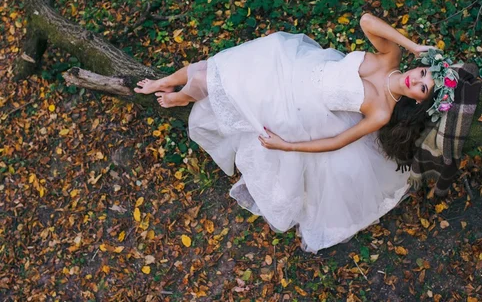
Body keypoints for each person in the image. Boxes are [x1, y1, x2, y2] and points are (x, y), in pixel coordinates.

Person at [134, 13, 459, 253]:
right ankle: (165, 83)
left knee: (215, 81)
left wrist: (287, 146)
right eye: (420, 75)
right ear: (419, 66)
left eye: (421, 89)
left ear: (418, 101)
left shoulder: (382, 111)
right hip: (295, 68)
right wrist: (414, 44)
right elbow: (366, 20)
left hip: (297, 107)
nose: (414, 81)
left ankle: (178, 94)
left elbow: (337, 141)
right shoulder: (390, 57)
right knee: (218, 66)